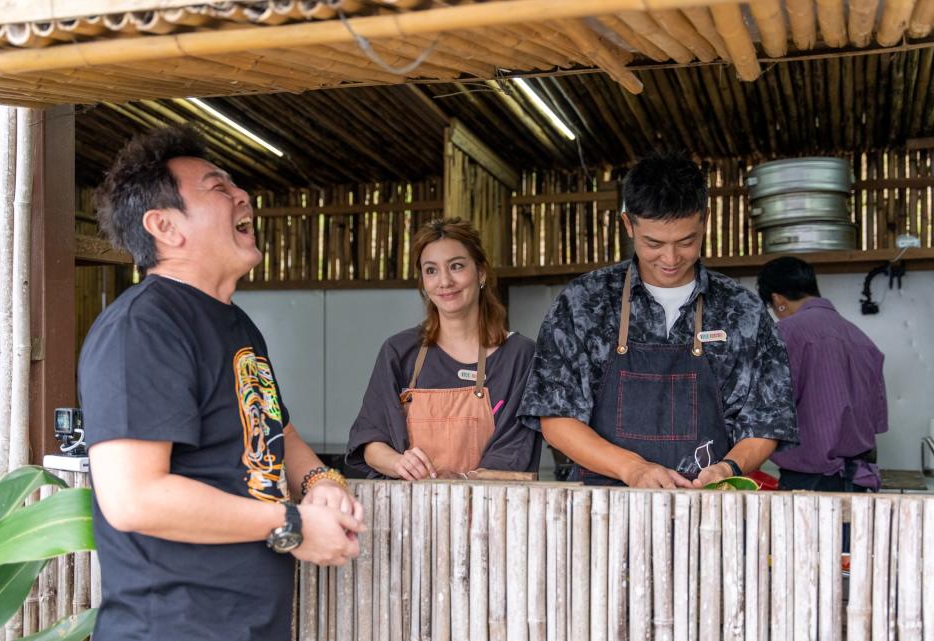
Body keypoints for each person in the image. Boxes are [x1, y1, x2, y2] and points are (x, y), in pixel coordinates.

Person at [79, 125, 365, 641]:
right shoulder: (142, 327)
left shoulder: (235, 323)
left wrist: (320, 482)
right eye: (218, 188)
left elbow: (278, 428)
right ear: (164, 226)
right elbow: (133, 497)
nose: (243, 197)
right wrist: (292, 524)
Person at [518, 151, 798, 489]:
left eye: (686, 241)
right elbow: (556, 417)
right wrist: (632, 468)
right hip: (605, 510)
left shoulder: (743, 311)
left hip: (705, 507)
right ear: (628, 224)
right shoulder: (583, 303)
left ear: (705, 221)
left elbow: (766, 423)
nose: (670, 258)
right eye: (653, 243)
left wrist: (727, 468)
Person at [346, 218, 540, 480]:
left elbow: (515, 452)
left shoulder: (520, 356)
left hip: (491, 511)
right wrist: (398, 463)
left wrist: (453, 486)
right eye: (431, 270)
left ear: (481, 272)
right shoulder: (399, 352)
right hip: (410, 511)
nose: (444, 281)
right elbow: (371, 439)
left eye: (456, 266)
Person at [757, 256, 888, 492]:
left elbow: (766, 411)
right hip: (859, 480)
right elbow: (876, 422)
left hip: (808, 484)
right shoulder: (861, 339)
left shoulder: (785, 333)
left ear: (778, 300)